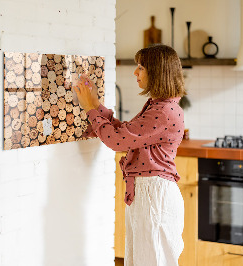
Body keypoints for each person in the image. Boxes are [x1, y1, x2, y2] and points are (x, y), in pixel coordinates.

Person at [74, 44, 186, 266]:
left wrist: (89, 109)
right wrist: (96, 104)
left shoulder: (163, 111)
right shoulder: (159, 106)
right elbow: (125, 133)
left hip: (154, 195)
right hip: (149, 193)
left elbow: (117, 141)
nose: (135, 72)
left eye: (141, 67)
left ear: (157, 72)